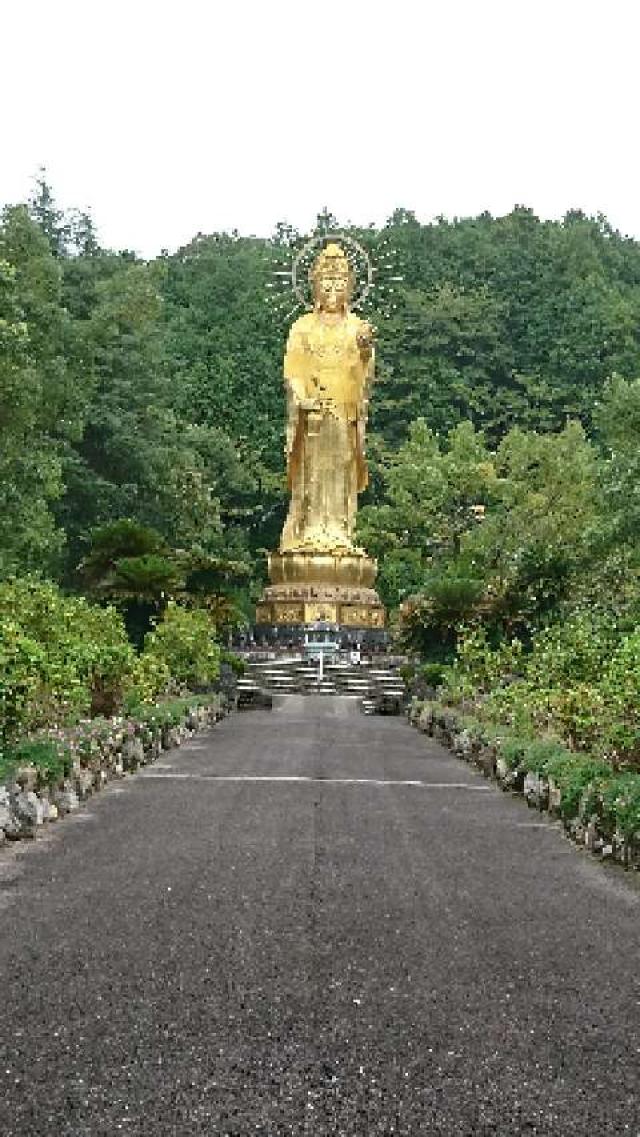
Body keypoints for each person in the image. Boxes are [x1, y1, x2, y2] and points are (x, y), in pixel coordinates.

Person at [280, 243, 374, 555]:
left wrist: (364, 350)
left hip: (343, 415)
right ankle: (309, 531)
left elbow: (365, 374)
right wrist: (302, 399)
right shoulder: (302, 327)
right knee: (313, 474)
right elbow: (292, 372)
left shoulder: (357, 327)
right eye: (326, 282)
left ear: (350, 287)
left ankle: (339, 532)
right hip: (313, 417)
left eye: (339, 283)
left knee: (341, 472)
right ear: (314, 286)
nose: (333, 289)